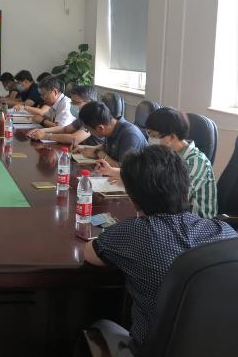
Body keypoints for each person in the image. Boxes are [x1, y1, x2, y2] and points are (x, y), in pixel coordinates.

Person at [84, 146, 236, 356]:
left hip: (151, 351)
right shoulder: (225, 232)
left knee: (101, 326)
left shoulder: (134, 233)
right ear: (186, 189)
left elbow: (89, 253)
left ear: (133, 199)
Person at [95, 107, 218, 218]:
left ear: (172, 137)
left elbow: (171, 198)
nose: (150, 139)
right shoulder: (167, 155)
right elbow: (148, 177)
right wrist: (113, 171)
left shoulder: (196, 162)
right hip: (171, 218)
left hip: (195, 223)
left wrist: (133, 186)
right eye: (149, 134)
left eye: (154, 135)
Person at [75, 101, 147, 166]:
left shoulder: (130, 135)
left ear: (100, 128)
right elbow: (105, 147)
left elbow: (123, 169)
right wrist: (84, 148)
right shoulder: (111, 127)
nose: (88, 132)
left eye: (88, 129)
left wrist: (98, 153)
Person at [27, 85, 104, 146]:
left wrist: (45, 136)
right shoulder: (82, 116)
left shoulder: (94, 117)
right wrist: (42, 130)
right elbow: (65, 129)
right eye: (72, 102)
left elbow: (75, 139)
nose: (72, 105)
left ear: (89, 102)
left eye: (76, 103)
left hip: (95, 158)